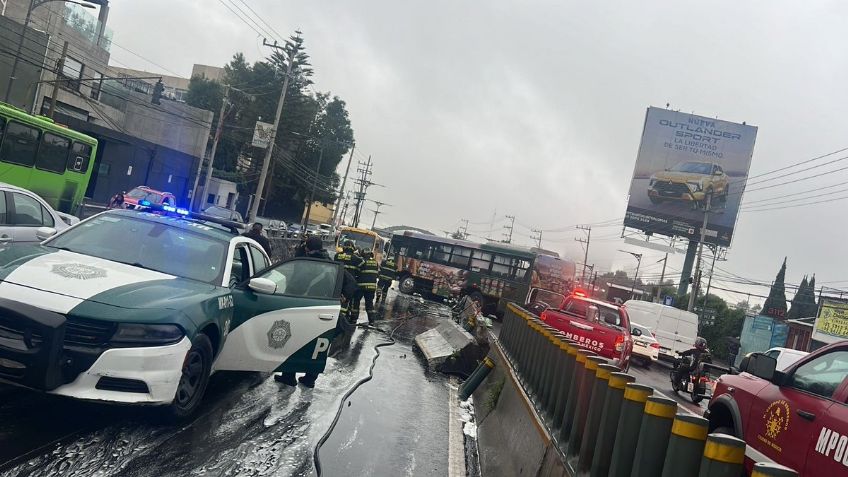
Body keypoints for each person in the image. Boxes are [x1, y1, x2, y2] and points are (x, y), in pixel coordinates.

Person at [275, 236, 358, 388]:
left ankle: (289, 376)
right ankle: (310, 379)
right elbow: (352, 283)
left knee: (295, 342)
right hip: (324, 310)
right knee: (319, 346)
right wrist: (344, 296)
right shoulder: (331, 264)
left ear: (307, 248)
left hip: (304, 308)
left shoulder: (306, 263)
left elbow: (295, 284)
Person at [334, 240, 364, 323]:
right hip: (349, 283)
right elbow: (362, 263)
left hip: (337, 281)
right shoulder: (355, 258)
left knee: (337, 299)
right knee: (346, 301)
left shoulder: (337, 255)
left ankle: (336, 316)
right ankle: (342, 320)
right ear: (352, 247)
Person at [354, 250, 379, 323]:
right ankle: (371, 320)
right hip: (372, 287)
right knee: (369, 304)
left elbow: (357, 271)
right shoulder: (375, 262)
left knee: (356, 301)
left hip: (361, 286)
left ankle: (354, 318)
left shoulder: (362, 261)